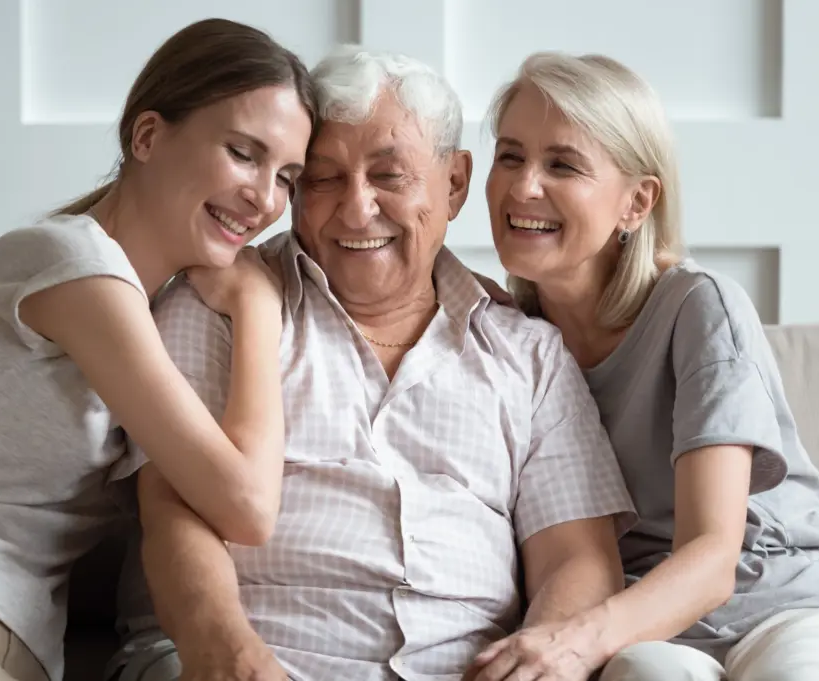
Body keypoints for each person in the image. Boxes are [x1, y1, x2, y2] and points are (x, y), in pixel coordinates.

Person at [106, 46, 638, 681]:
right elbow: (173, 514)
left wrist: (533, 664)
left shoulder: (530, 355)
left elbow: (578, 558)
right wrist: (231, 655)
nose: (357, 209)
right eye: (323, 179)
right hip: (253, 658)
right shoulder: (216, 302)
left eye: (389, 176)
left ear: (455, 184)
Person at [0, 19, 315, 681]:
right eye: (243, 153)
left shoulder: (155, 312)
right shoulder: (74, 265)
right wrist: (258, 305)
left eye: (288, 177)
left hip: (25, 637)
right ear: (147, 136)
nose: (265, 199)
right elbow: (247, 506)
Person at [479, 50, 819, 681]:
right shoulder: (508, 341)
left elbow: (713, 559)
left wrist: (573, 642)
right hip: (649, 630)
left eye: (562, 164)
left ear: (636, 203)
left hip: (784, 605)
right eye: (510, 156)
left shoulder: (698, 307)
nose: (524, 187)